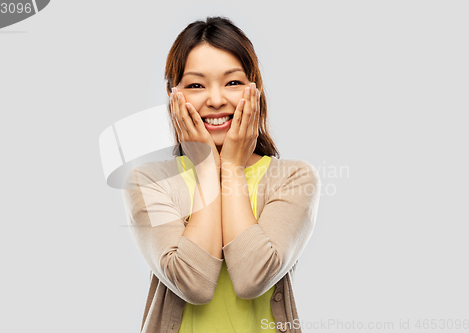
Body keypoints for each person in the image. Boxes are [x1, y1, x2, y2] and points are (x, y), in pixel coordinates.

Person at [121, 16, 321, 333]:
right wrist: (205, 166)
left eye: (232, 82)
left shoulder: (293, 177)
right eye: (196, 85)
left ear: (255, 90)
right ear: (174, 96)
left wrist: (230, 168)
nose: (215, 100)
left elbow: (252, 278)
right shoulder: (148, 182)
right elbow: (193, 284)